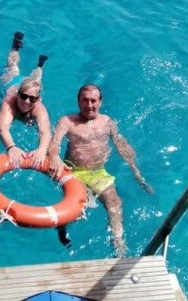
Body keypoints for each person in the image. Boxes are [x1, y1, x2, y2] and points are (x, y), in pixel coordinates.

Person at [48, 84, 154, 257]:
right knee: (77, 208)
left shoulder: (107, 122)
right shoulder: (67, 121)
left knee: (114, 202)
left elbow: (122, 146)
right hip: (74, 172)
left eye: (93, 101)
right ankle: (61, 227)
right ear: (78, 101)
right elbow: (54, 145)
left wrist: (137, 174)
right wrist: (55, 158)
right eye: (85, 100)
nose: (89, 105)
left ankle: (118, 242)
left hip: (98, 172)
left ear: (100, 102)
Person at [0, 32, 51, 169]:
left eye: (32, 99)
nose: (27, 102)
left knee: (37, 81)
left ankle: (40, 66)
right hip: (12, 82)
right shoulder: (9, 101)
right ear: (19, 94)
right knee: (11, 66)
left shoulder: (39, 108)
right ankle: (15, 47)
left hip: (31, 85)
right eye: (24, 96)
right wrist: (11, 147)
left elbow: (45, 132)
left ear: (37, 100)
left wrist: (41, 150)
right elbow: (2, 128)